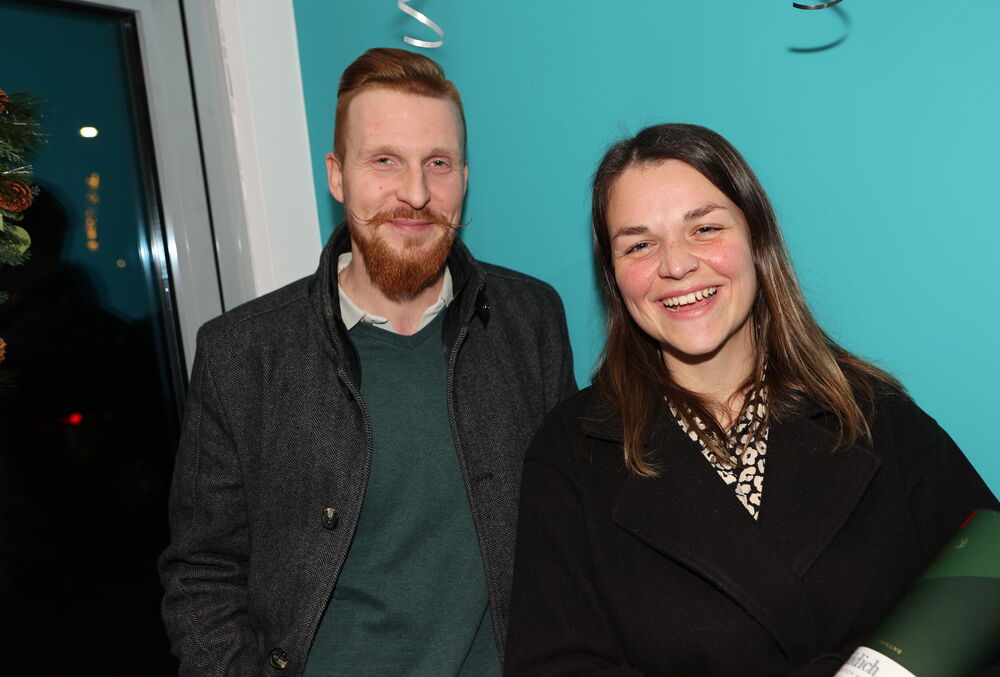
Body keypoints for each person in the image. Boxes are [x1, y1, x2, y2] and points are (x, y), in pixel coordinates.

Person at [504, 123, 999, 676]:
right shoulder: (572, 451)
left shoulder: (874, 416)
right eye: (639, 244)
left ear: (756, 240)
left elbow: (987, 597)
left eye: (705, 228)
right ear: (614, 276)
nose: (676, 264)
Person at [159, 47, 576, 676]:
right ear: (337, 176)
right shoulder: (241, 354)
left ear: (464, 178)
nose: (416, 193)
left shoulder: (530, 319)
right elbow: (202, 574)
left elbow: (572, 528)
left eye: (438, 163)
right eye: (384, 161)